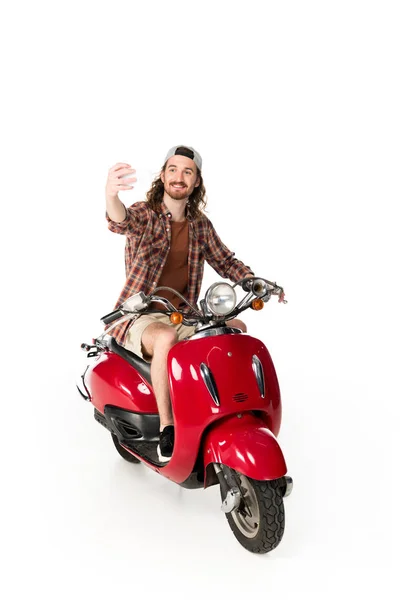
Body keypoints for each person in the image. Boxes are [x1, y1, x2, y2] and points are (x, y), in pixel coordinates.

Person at [105, 145, 254, 461]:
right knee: (166, 338)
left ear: (196, 181)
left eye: (188, 171)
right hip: (138, 315)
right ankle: (167, 427)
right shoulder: (146, 214)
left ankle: (228, 409)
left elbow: (225, 260)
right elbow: (122, 221)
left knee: (236, 328)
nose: (179, 177)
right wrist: (111, 195)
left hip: (183, 314)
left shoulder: (200, 225)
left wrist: (255, 282)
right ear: (162, 175)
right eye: (173, 169)